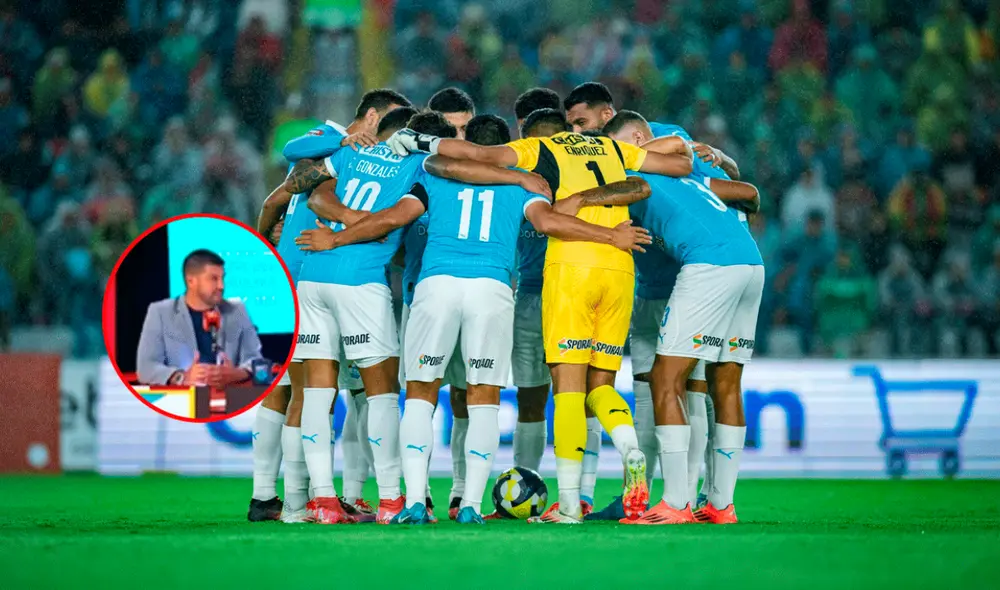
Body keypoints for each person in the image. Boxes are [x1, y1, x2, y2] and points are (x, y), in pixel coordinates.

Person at [297, 114, 651, 525]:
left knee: (420, 392)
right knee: (483, 396)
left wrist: (337, 237)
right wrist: (611, 236)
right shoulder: (525, 182)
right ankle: (469, 506)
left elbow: (395, 217)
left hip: (436, 287)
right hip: (492, 290)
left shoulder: (434, 176)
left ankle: (412, 501)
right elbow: (548, 222)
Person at [384, 107, 693, 523]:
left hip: (546, 274)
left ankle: (422, 502)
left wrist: (421, 145)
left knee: (429, 394)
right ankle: (623, 451)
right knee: (568, 388)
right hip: (612, 270)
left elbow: (403, 212)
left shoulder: (507, 159)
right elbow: (674, 165)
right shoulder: (606, 151)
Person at [281, 111, 457, 525]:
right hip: (360, 283)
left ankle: (321, 501)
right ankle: (392, 501)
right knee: (381, 395)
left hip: (313, 274)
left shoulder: (355, 151)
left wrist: (340, 226)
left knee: (317, 393)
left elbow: (312, 193)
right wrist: (361, 229)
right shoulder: (423, 165)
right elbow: (397, 218)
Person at [253, 89, 411, 524]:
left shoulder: (349, 161)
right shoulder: (337, 140)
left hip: (309, 276)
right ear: (374, 116)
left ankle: (296, 499)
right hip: (322, 275)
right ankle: (315, 498)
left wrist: (267, 238)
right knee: (340, 393)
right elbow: (291, 151)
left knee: (302, 392)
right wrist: (344, 141)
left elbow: (279, 200)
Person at [614, 123, 764, 524]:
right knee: (726, 380)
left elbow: (662, 160)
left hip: (710, 265)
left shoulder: (633, 171)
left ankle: (677, 502)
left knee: (666, 378)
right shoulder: (691, 176)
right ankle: (720, 505)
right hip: (750, 262)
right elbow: (748, 194)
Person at [508, 88, 563, 484]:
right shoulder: (513, 179)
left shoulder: (585, 177)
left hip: (570, 293)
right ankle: (527, 485)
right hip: (528, 295)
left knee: (574, 395)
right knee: (531, 397)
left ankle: (580, 492)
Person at [136, 249, 263, 388]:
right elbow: (146, 368)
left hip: (230, 399)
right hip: (182, 402)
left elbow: (256, 360)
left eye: (222, 278)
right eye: (214, 279)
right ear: (191, 281)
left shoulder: (236, 310)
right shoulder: (160, 312)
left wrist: (237, 374)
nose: (221, 286)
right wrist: (182, 377)